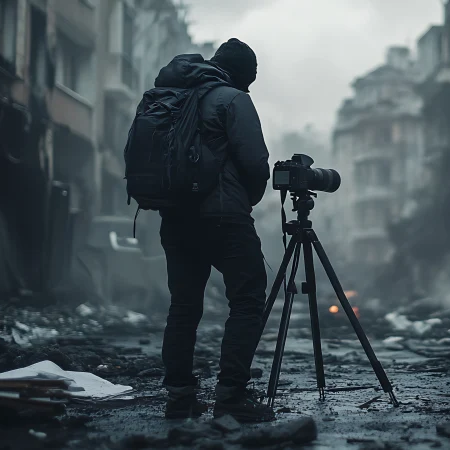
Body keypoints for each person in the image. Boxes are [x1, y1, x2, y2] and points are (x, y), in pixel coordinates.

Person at [153, 38, 274, 422]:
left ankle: (179, 397)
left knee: (184, 306)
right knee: (248, 298)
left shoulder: (171, 98)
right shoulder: (233, 99)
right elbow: (256, 163)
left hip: (175, 218)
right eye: (250, 79)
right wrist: (245, 200)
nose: (250, 87)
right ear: (243, 74)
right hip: (225, 218)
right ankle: (231, 395)